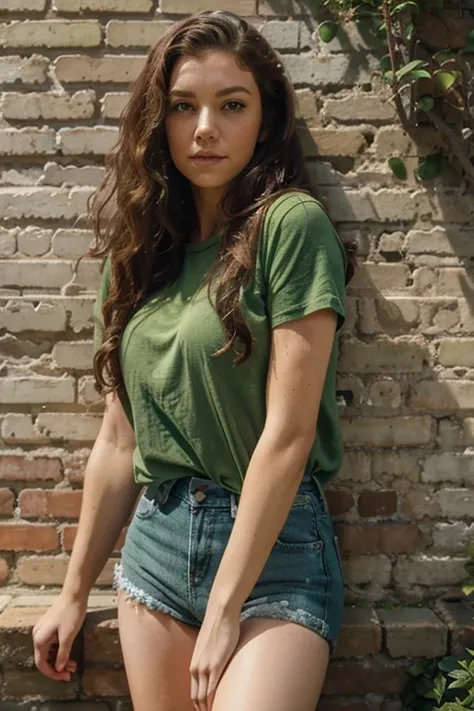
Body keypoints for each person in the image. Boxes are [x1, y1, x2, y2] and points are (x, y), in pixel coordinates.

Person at [32, 10, 356, 711]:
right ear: (161, 121)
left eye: (231, 105)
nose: (205, 127)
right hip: (157, 547)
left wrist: (225, 606)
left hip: (276, 555)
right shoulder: (142, 257)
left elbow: (290, 433)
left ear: (264, 122)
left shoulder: (289, 227)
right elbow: (120, 441)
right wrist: (73, 590)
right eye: (184, 107)